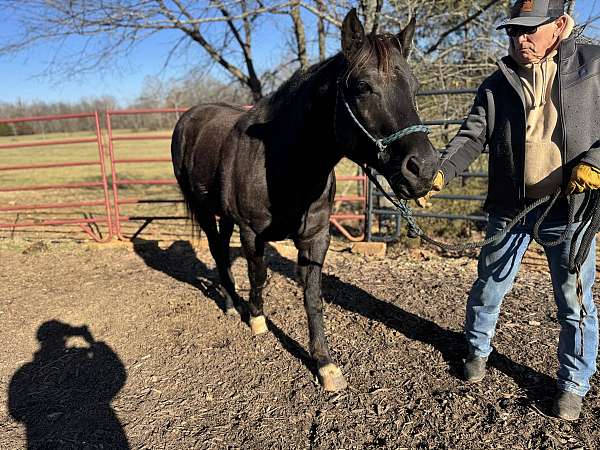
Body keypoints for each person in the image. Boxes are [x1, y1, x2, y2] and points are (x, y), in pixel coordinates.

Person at [419, 0, 600, 420]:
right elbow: (471, 136)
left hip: (569, 208)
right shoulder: (496, 83)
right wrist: (442, 172)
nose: (520, 39)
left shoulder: (593, 65)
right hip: (510, 207)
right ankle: (477, 350)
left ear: (558, 25)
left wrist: (594, 164)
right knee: (489, 285)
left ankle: (573, 383)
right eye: (513, 31)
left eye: (529, 30)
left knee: (575, 301)